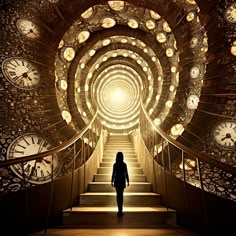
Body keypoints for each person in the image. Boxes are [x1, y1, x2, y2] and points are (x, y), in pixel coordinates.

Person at [111, 151, 129, 216]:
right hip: (122, 181)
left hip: (117, 181)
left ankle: (119, 209)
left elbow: (113, 174)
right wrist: (128, 181)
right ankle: (121, 209)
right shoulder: (124, 164)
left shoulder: (115, 164)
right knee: (121, 195)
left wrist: (112, 181)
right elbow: (126, 173)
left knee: (118, 195)